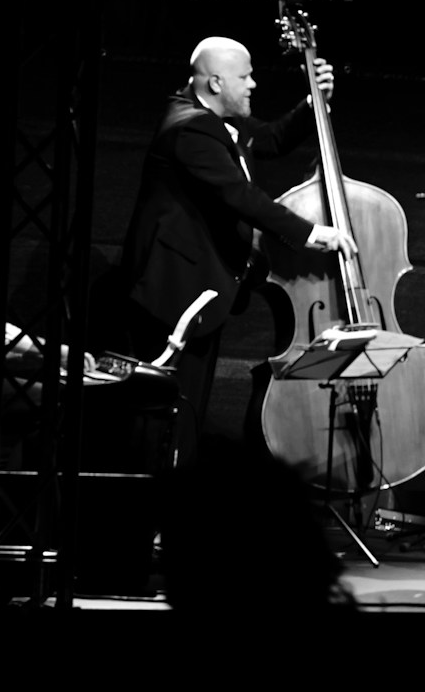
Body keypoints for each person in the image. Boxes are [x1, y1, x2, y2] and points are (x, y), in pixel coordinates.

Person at [105, 36, 354, 468]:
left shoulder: (214, 120)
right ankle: (153, 515)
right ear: (217, 82)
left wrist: (315, 103)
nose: (254, 84)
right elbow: (239, 195)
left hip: (197, 290)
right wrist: (310, 232)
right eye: (246, 76)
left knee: (185, 412)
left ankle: (170, 510)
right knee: (168, 415)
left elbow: (271, 140)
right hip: (172, 294)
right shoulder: (189, 129)